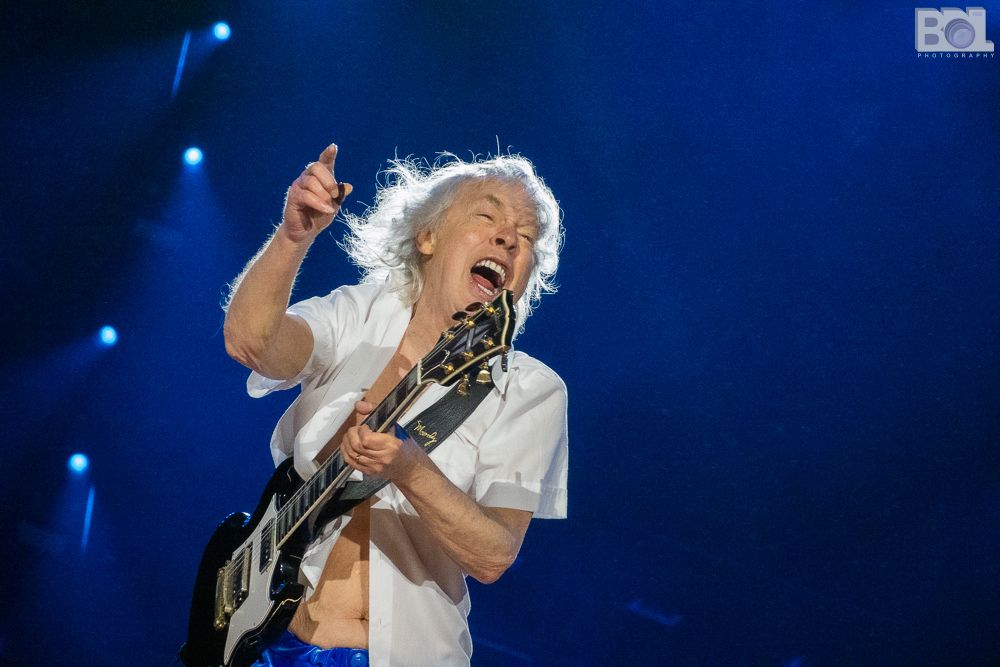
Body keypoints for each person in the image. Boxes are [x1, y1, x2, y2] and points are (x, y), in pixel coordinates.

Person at [223, 142, 568, 667]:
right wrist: (294, 239)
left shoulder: (529, 389)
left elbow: (494, 555)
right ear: (427, 237)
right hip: (264, 643)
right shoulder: (360, 314)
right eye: (487, 217)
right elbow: (251, 344)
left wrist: (408, 468)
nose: (507, 238)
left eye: (526, 238)